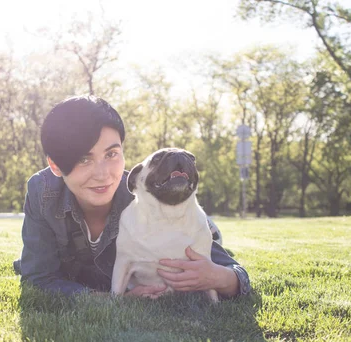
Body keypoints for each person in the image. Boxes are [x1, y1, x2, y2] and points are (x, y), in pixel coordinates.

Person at [15, 95, 251, 299]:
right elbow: (38, 278)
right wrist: (113, 300)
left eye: (112, 154)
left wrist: (220, 279)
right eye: (83, 159)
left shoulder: (148, 196)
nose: (103, 174)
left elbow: (232, 272)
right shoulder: (44, 191)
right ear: (56, 166)